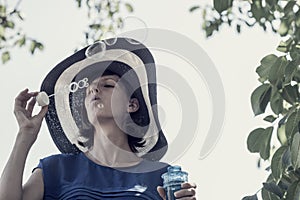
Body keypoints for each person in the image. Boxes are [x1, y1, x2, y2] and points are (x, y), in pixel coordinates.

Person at [0, 38, 197, 199]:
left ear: (132, 105)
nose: (94, 89)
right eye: (89, 90)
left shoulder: (163, 176)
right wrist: (24, 135)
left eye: (108, 85)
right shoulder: (54, 169)